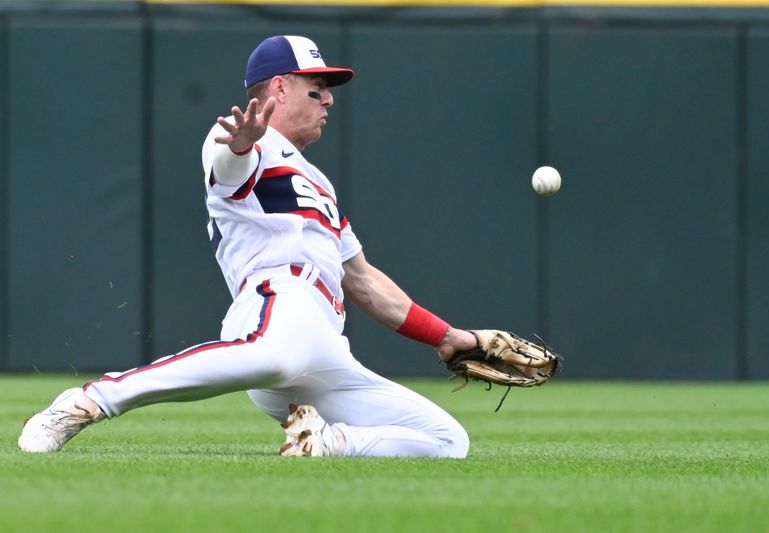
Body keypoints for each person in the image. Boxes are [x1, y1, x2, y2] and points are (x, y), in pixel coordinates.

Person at [18, 35, 476, 458]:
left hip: (326, 345)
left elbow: (364, 280)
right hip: (278, 302)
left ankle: (327, 442)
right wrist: (239, 147)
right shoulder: (241, 142)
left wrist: (447, 336)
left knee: (448, 440)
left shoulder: (320, 183)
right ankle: (87, 402)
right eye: (316, 88)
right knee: (273, 355)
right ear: (279, 87)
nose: (329, 99)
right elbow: (229, 169)